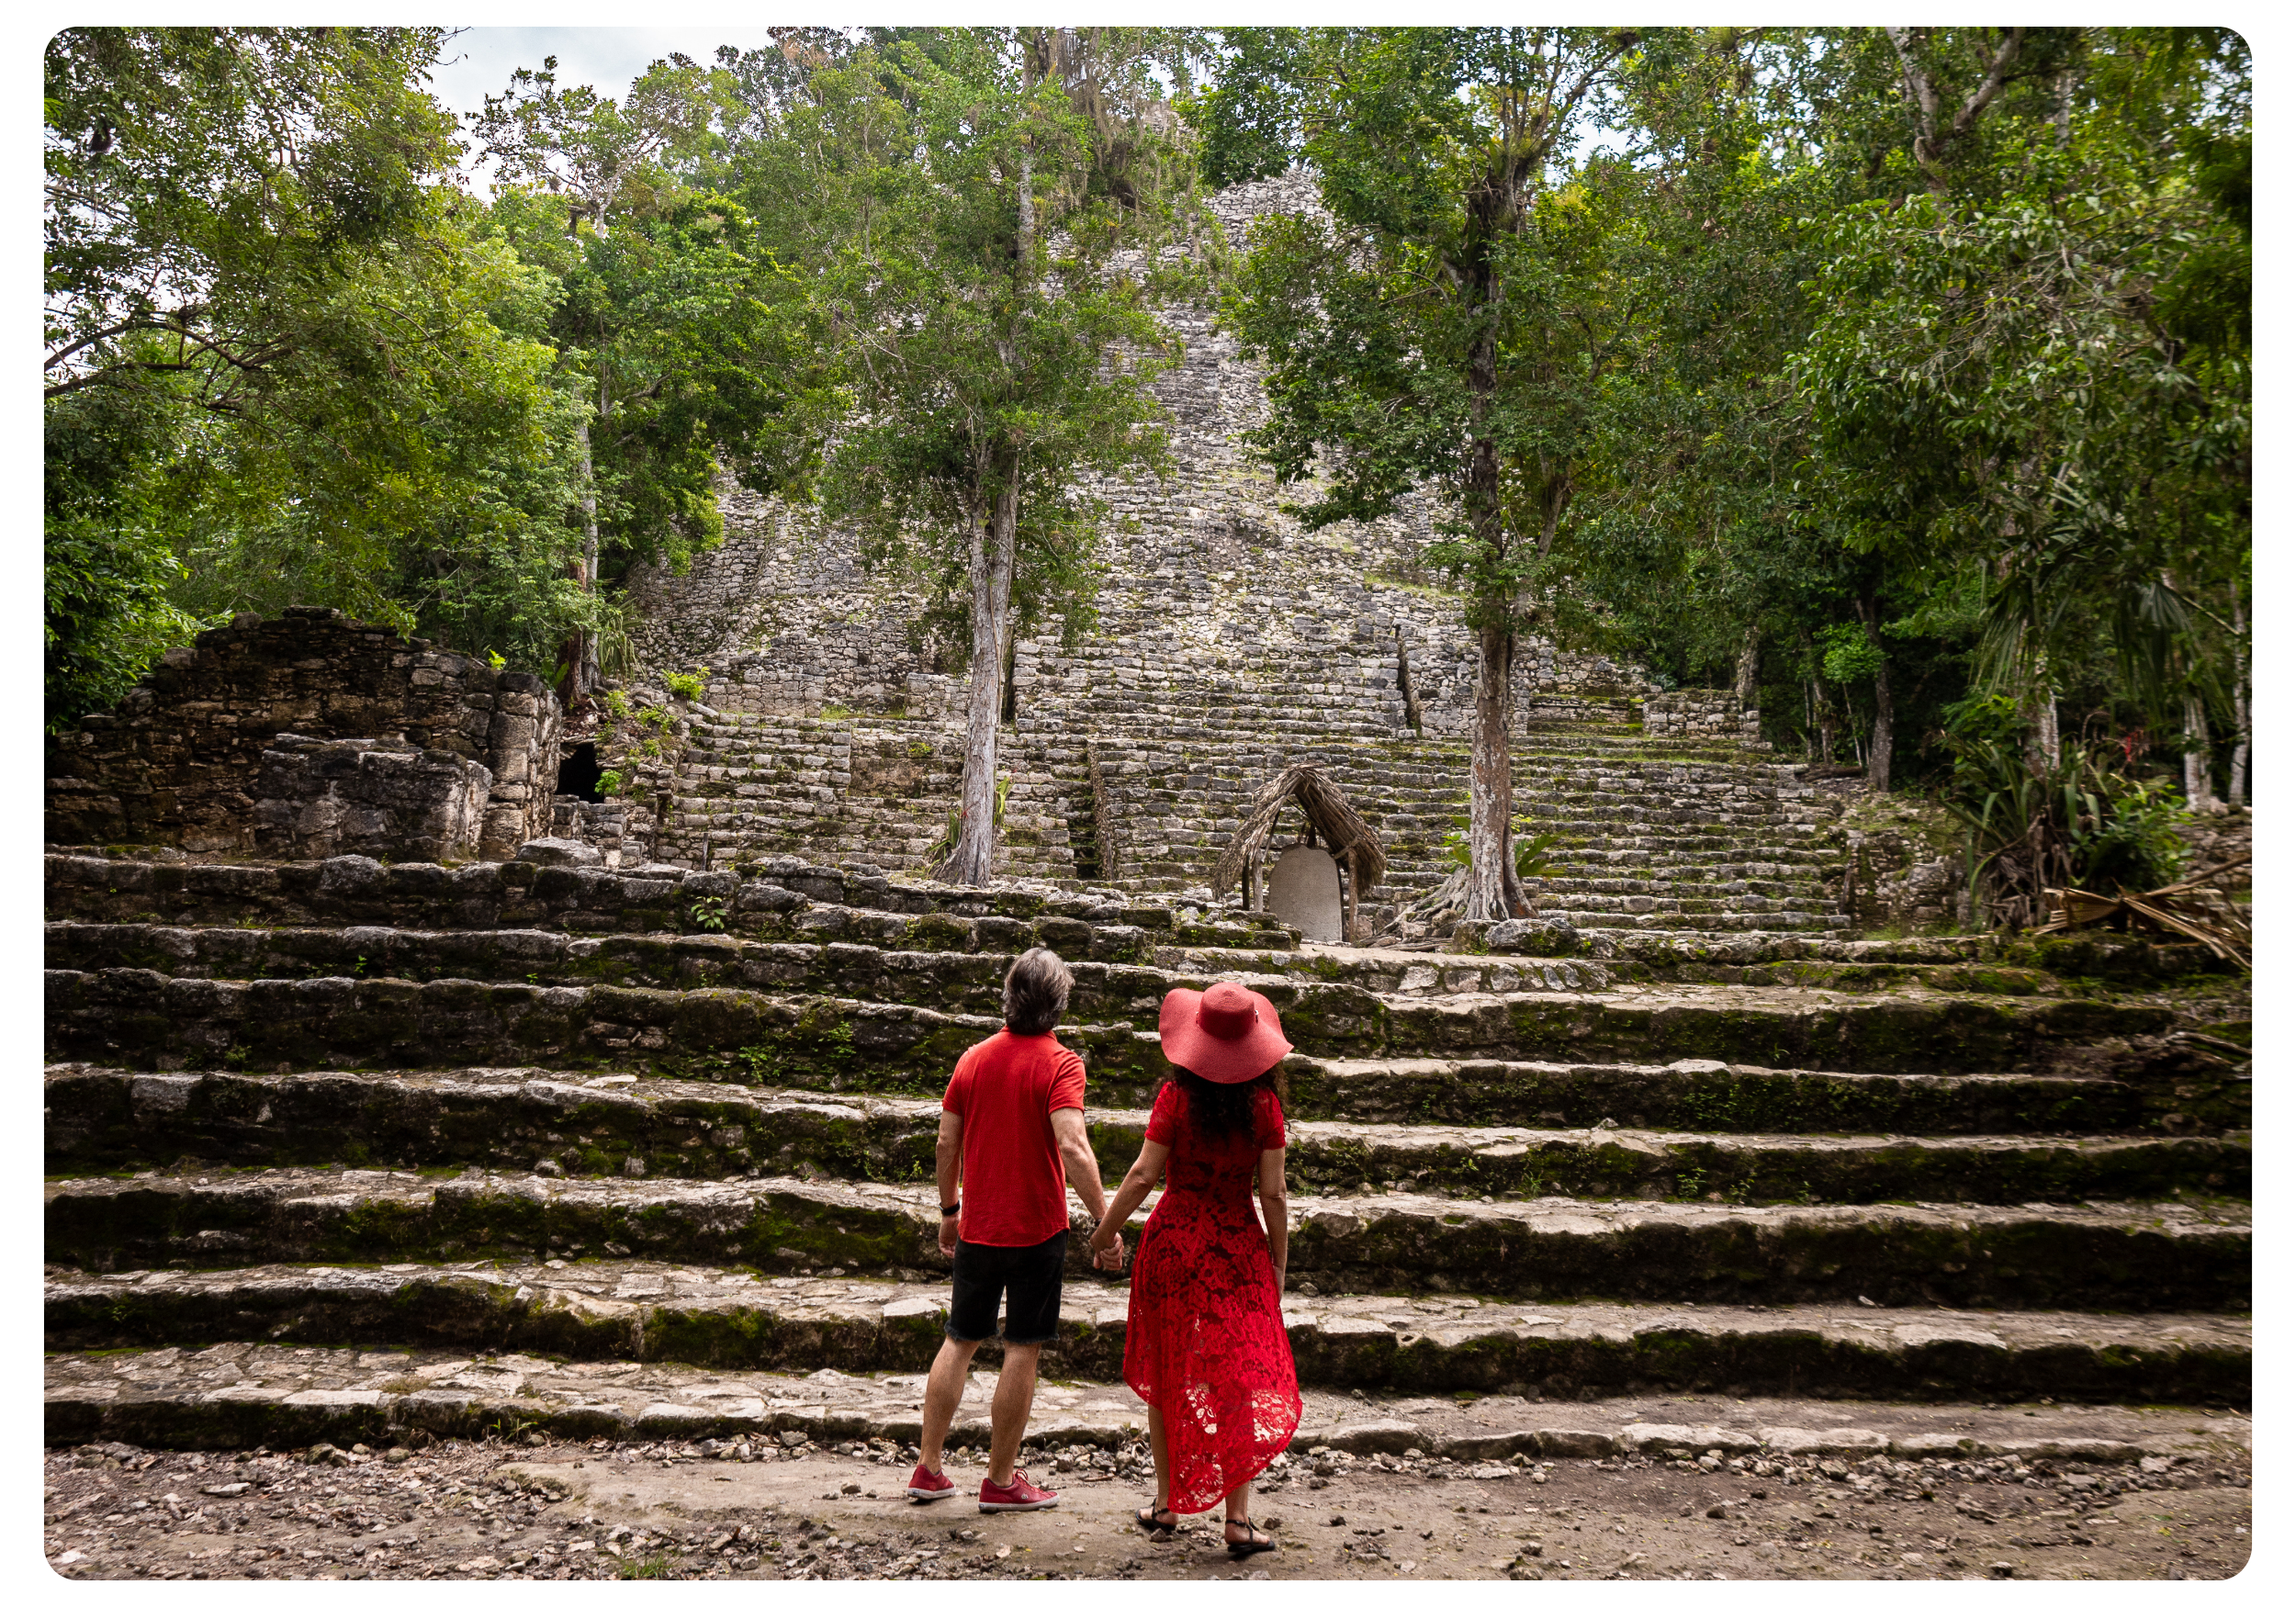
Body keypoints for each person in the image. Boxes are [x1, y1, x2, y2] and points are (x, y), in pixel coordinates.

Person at [1088, 981, 1299, 1559]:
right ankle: (1237, 1519)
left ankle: (1166, 1505)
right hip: (1237, 1251)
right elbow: (1274, 1195)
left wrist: (1105, 1232)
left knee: (1167, 1368)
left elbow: (1142, 1175)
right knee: (1238, 1376)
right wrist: (1278, 1264)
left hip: (1175, 1246)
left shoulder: (1175, 1099)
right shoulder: (1265, 1109)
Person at [908, 946, 1120, 1513]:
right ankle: (1000, 1481)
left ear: (1008, 998)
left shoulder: (972, 1060)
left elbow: (946, 1141)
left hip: (979, 1227)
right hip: (1036, 1230)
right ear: (1058, 1004)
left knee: (959, 1339)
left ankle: (928, 1468)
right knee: (1022, 1348)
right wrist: (1106, 1222)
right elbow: (1073, 1146)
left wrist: (949, 1211)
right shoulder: (1061, 1064)